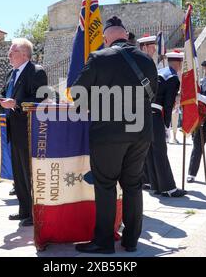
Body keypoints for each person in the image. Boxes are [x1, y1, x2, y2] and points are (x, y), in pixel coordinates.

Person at [73, 16, 158, 254]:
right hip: (141, 132)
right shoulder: (147, 60)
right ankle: (131, 241)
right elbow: (154, 93)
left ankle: (103, 242)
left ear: (107, 37)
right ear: (125, 34)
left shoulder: (100, 57)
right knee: (133, 185)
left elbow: (78, 93)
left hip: (108, 134)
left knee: (106, 185)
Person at [0, 38, 48, 227]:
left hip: (29, 130)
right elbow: (5, 94)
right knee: (19, 174)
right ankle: (24, 210)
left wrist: (16, 104)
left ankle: (34, 213)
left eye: (12, 51)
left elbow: (41, 99)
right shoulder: (11, 73)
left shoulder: (36, 72)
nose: (9, 55)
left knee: (29, 173)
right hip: (12, 130)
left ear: (24, 54)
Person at [137, 36, 187, 198]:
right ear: (179, 64)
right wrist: (166, 124)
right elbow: (168, 103)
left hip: (143, 114)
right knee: (160, 151)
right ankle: (168, 188)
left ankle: (155, 184)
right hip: (155, 115)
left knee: (150, 151)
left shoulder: (160, 72)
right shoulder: (172, 78)